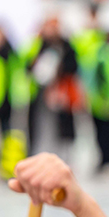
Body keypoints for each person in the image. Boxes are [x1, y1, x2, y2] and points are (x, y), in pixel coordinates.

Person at [23, 17, 79, 158]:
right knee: (40, 125)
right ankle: (38, 153)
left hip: (61, 91)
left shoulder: (66, 46)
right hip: (40, 93)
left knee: (62, 126)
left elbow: (74, 67)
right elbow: (27, 66)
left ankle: (63, 154)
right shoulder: (38, 45)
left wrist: (60, 71)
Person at [88, 31, 109, 172]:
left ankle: (107, 161)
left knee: (104, 134)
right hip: (105, 103)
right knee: (106, 133)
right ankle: (107, 161)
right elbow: (106, 81)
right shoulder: (105, 56)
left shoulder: (101, 54)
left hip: (101, 102)